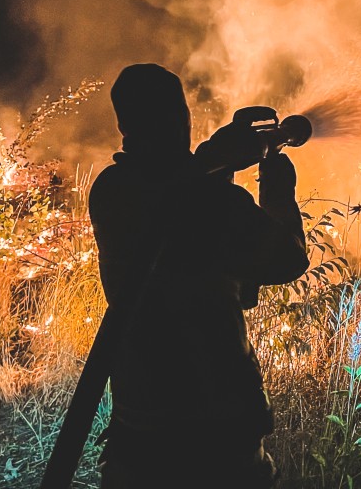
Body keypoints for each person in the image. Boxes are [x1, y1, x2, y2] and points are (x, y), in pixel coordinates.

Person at [87, 63, 309, 488]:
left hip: (139, 426)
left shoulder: (113, 187)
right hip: (217, 433)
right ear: (181, 118)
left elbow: (171, 202)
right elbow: (287, 259)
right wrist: (276, 184)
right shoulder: (209, 202)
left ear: (124, 123)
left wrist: (215, 161)